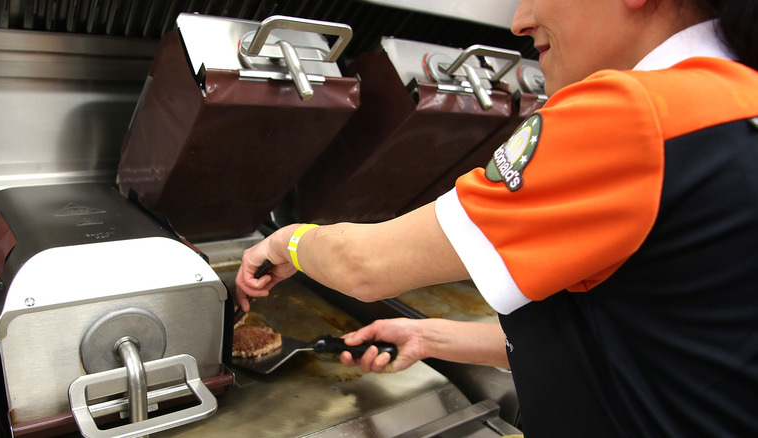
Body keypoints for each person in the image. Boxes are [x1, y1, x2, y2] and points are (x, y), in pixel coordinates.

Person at [236, 0, 758, 436]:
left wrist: (285, 242)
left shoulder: (640, 114)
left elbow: (365, 268)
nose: (519, 20)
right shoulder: (734, 104)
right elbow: (661, 348)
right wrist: (434, 339)